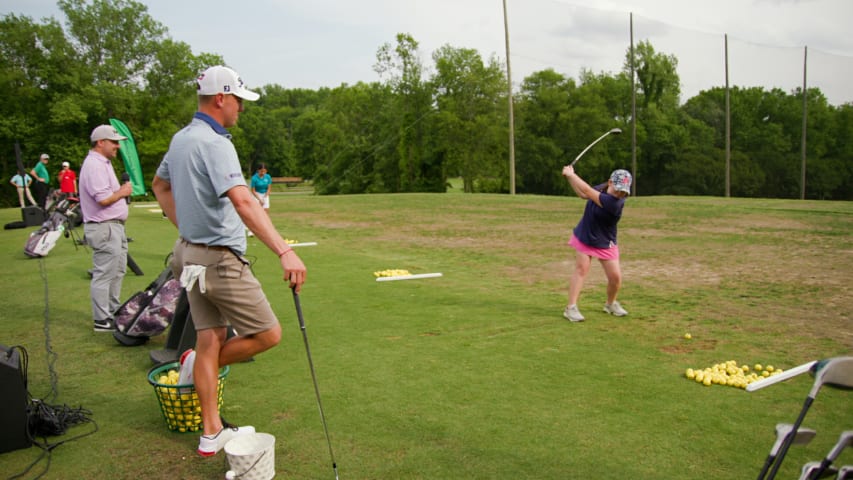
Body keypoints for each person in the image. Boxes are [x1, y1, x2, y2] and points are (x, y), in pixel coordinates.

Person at [151, 65, 307, 457]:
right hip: (219, 260)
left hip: (187, 255)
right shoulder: (216, 143)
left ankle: (211, 432)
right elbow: (242, 200)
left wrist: (184, 224)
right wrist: (285, 250)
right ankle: (192, 363)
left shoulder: (181, 139)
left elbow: (159, 185)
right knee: (268, 335)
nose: (241, 108)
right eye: (238, 100)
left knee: (210, 339)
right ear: (220, 98)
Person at [561, 165, 632, 322]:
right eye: (618, 189)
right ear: (610, 183)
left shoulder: (615, 203)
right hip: (585, 235)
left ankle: (610, 304)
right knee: (581, 270)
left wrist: (572, 175)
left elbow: (586, 191)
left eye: (624, 191)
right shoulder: (602, 188)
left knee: (615, 278)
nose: (620, 193)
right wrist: (569, 178)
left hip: (606, 241)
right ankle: (570, 308)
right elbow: (582, 193)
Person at [79, 125, 133, 332]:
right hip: (104, 227)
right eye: (114, 142)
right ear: (100, 142)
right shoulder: (95, 165)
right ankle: (102, 319)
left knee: (117, 271)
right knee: (104, 274)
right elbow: (103, 199)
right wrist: (123, 191)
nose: (117, 146)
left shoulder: (103, 163)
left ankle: (113, 311)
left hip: (112, 227)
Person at [247, 164, 272, 237]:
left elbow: (269, 188)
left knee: (266, 213)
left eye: (264, 171)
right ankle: (251, 231)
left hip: (265, 195)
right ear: (258, 170)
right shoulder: (254, 178)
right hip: (256, 195)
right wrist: (259, 199)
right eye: (261, 171)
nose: (263, 173)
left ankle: (265, 230)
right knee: (255, 213)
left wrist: (265, 197)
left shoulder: (268, 177)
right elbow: (253, 190)